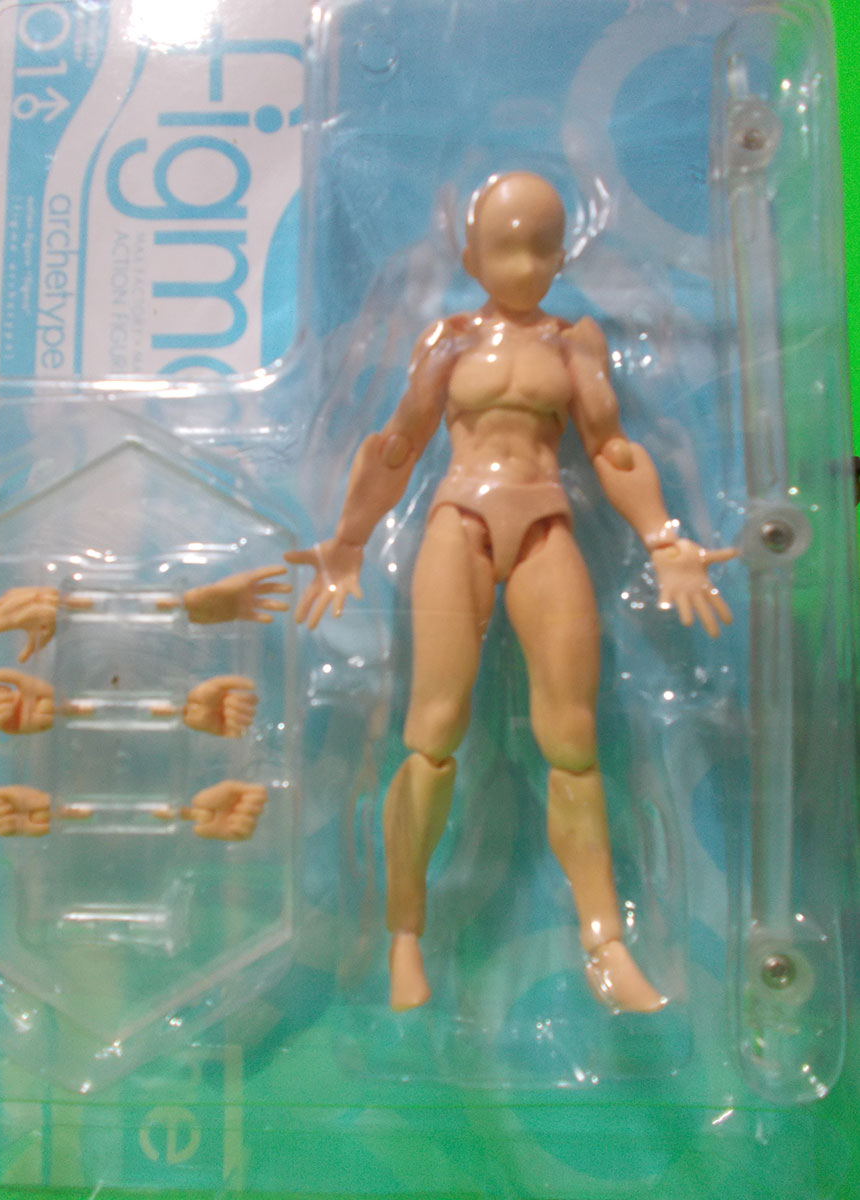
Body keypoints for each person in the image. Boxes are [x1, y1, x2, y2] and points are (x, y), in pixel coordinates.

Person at [288, 172, 736, 1012]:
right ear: (470, 256)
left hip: (543, 523)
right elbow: (399, 442)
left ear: (563, 256)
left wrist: (664, 540)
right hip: (458, 519)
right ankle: (404, 935)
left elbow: (612, 450)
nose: (524, 265)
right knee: (431, 732)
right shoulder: (448, 340)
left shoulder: (575, 345)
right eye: (505, 248)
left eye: (541, 248)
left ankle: (605, 940)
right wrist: (348, 540)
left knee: (572, 736)